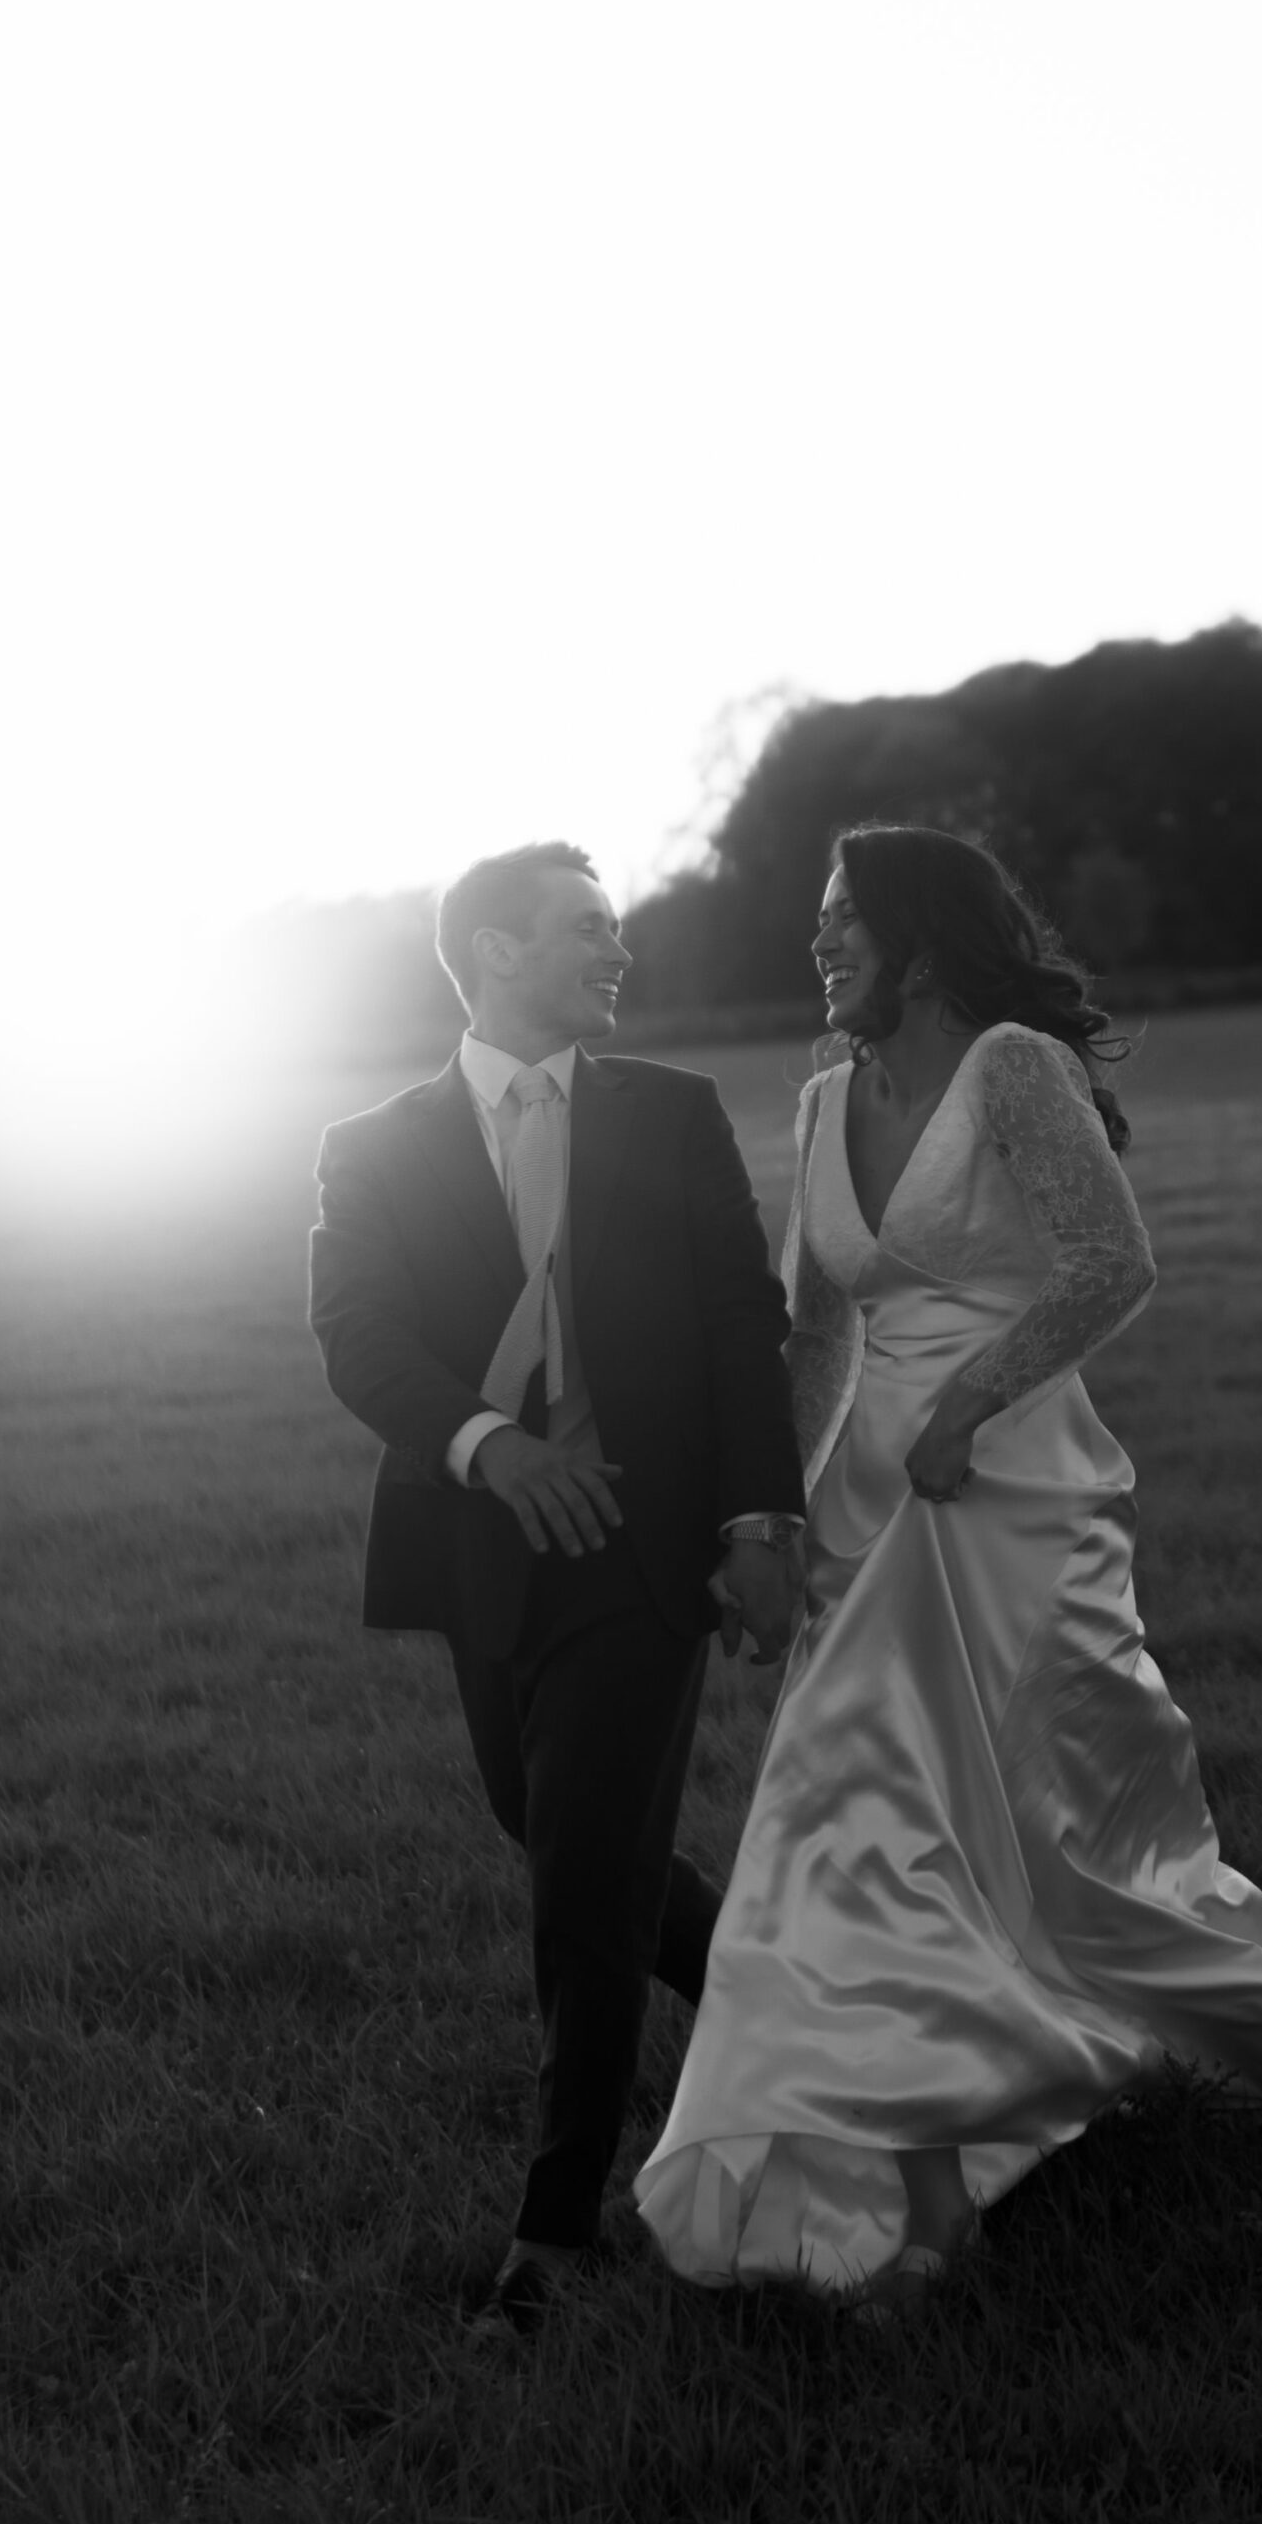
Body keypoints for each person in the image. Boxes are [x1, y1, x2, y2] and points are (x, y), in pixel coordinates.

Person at [634, 822, 1262, 2314]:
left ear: (923, 939)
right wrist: (789, 1516)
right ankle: (929, 2194)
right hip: (873, 1509)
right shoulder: (822, 1103)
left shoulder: (1015, 1066)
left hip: (1015, 1489)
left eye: (840, 922)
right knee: (859, 1817)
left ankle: (1092, 2057)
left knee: (1030, 1836)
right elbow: (820, 1335)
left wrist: (967, 1403)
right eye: (815, 924)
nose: (816, 945)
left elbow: (1111, 1264)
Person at [309, 842, 805, 2332]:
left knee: (583, 1880)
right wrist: (486, 1450)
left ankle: (559, 2225)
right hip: (483, 1549)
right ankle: (786, 2006)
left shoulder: (671, 1112)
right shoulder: (372, 1145)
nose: (618, 952)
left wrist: (760, 1520)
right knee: (550, 1829)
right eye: (588, 929)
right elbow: (360, 1340)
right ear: (495, 951)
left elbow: (739, 1321)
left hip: (649, 1552)